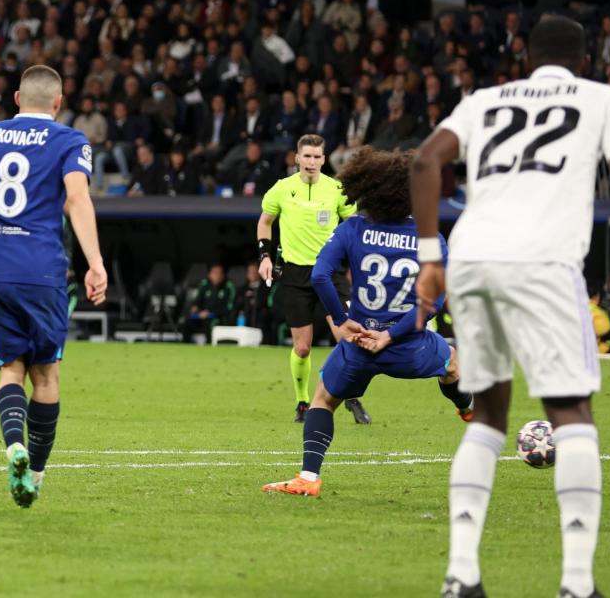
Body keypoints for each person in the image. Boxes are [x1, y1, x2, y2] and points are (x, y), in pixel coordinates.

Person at [410, 17, 610, 598]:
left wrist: (432, 256)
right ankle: (578, 584)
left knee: (487, 415)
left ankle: (461, 577)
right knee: (572, 413)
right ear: (582, 60)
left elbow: (425, 162)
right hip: (545, 261)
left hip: (474, 260)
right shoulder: (603, 97)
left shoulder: (484, 100)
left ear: (526, 58)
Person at [0, 65, 107, 509]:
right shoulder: (71, 141)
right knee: (46, 375)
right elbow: (76, 198)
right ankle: (33, 471)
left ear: (16, 98)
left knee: (9, 369)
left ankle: (13, 443)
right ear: (58, 101)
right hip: (42, 269)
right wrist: (95, 262)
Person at [261, 147, 473, 497]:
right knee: (451, 365)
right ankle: (466, 408)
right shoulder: (430, 237)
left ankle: (308, 478)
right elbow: (433, 303)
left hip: (358, 341)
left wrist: (342, 322)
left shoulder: (354, 228)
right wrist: (390, 335)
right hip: (409, 344)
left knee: (323, 398)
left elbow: (320, 276)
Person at [256, 134, 370, 425]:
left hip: (329, 272)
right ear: (296, 158)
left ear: (324, 158)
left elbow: (354, 226)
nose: (312, 162)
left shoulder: (336, 190)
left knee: (347, 338)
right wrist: (265, 257)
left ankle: (351, 395)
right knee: (302, 347)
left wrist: (355, 265)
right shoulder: (282, 189)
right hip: (295, 274)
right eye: (306, 156)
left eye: (317, 157)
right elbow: (265, 221)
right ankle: (303, 402)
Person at [182, 264, 235, 343]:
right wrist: (195, 308)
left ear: (223, 275)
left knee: (210, 324)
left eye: (218, 273)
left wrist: (211, 313)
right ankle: (185, 346)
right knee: (187, 323)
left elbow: (229, 307)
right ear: (209, 274)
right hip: (202, 315)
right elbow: (197, 301)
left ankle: (209, 347)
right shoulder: (205, 285)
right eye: (214, 273)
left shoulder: (228, 286)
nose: (216, 275)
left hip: (217, 317)